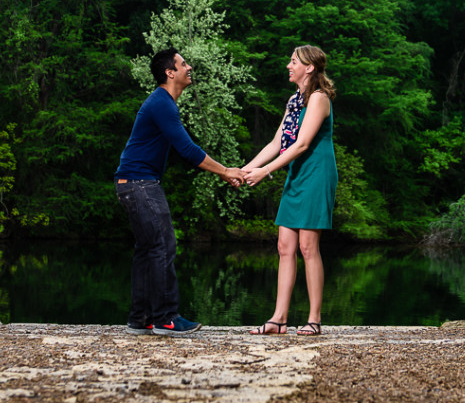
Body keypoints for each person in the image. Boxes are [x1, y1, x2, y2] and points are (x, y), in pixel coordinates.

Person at [115, 48, 244, 337]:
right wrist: (226, 171)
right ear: (169, 72)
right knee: (163, 245)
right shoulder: (162, 103)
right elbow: (187, 150)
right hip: (140, 184)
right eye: (183, 63)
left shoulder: (163, 103)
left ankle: (141, 318)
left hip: (132, 184)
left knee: (148, 250)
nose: (189, 67)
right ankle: (166, 318)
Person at [242, 45, 337, 336]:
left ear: (309, 68)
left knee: (308, 247)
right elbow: (276, 143)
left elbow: (302, 144)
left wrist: (266, 172)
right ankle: (279, 318)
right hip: (297, 172)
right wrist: (245, 170)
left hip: (316, 173)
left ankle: (314, 319)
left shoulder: (319, 99)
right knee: (285, 246)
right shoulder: (294, 100)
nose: (288, 65)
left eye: (293, 61)